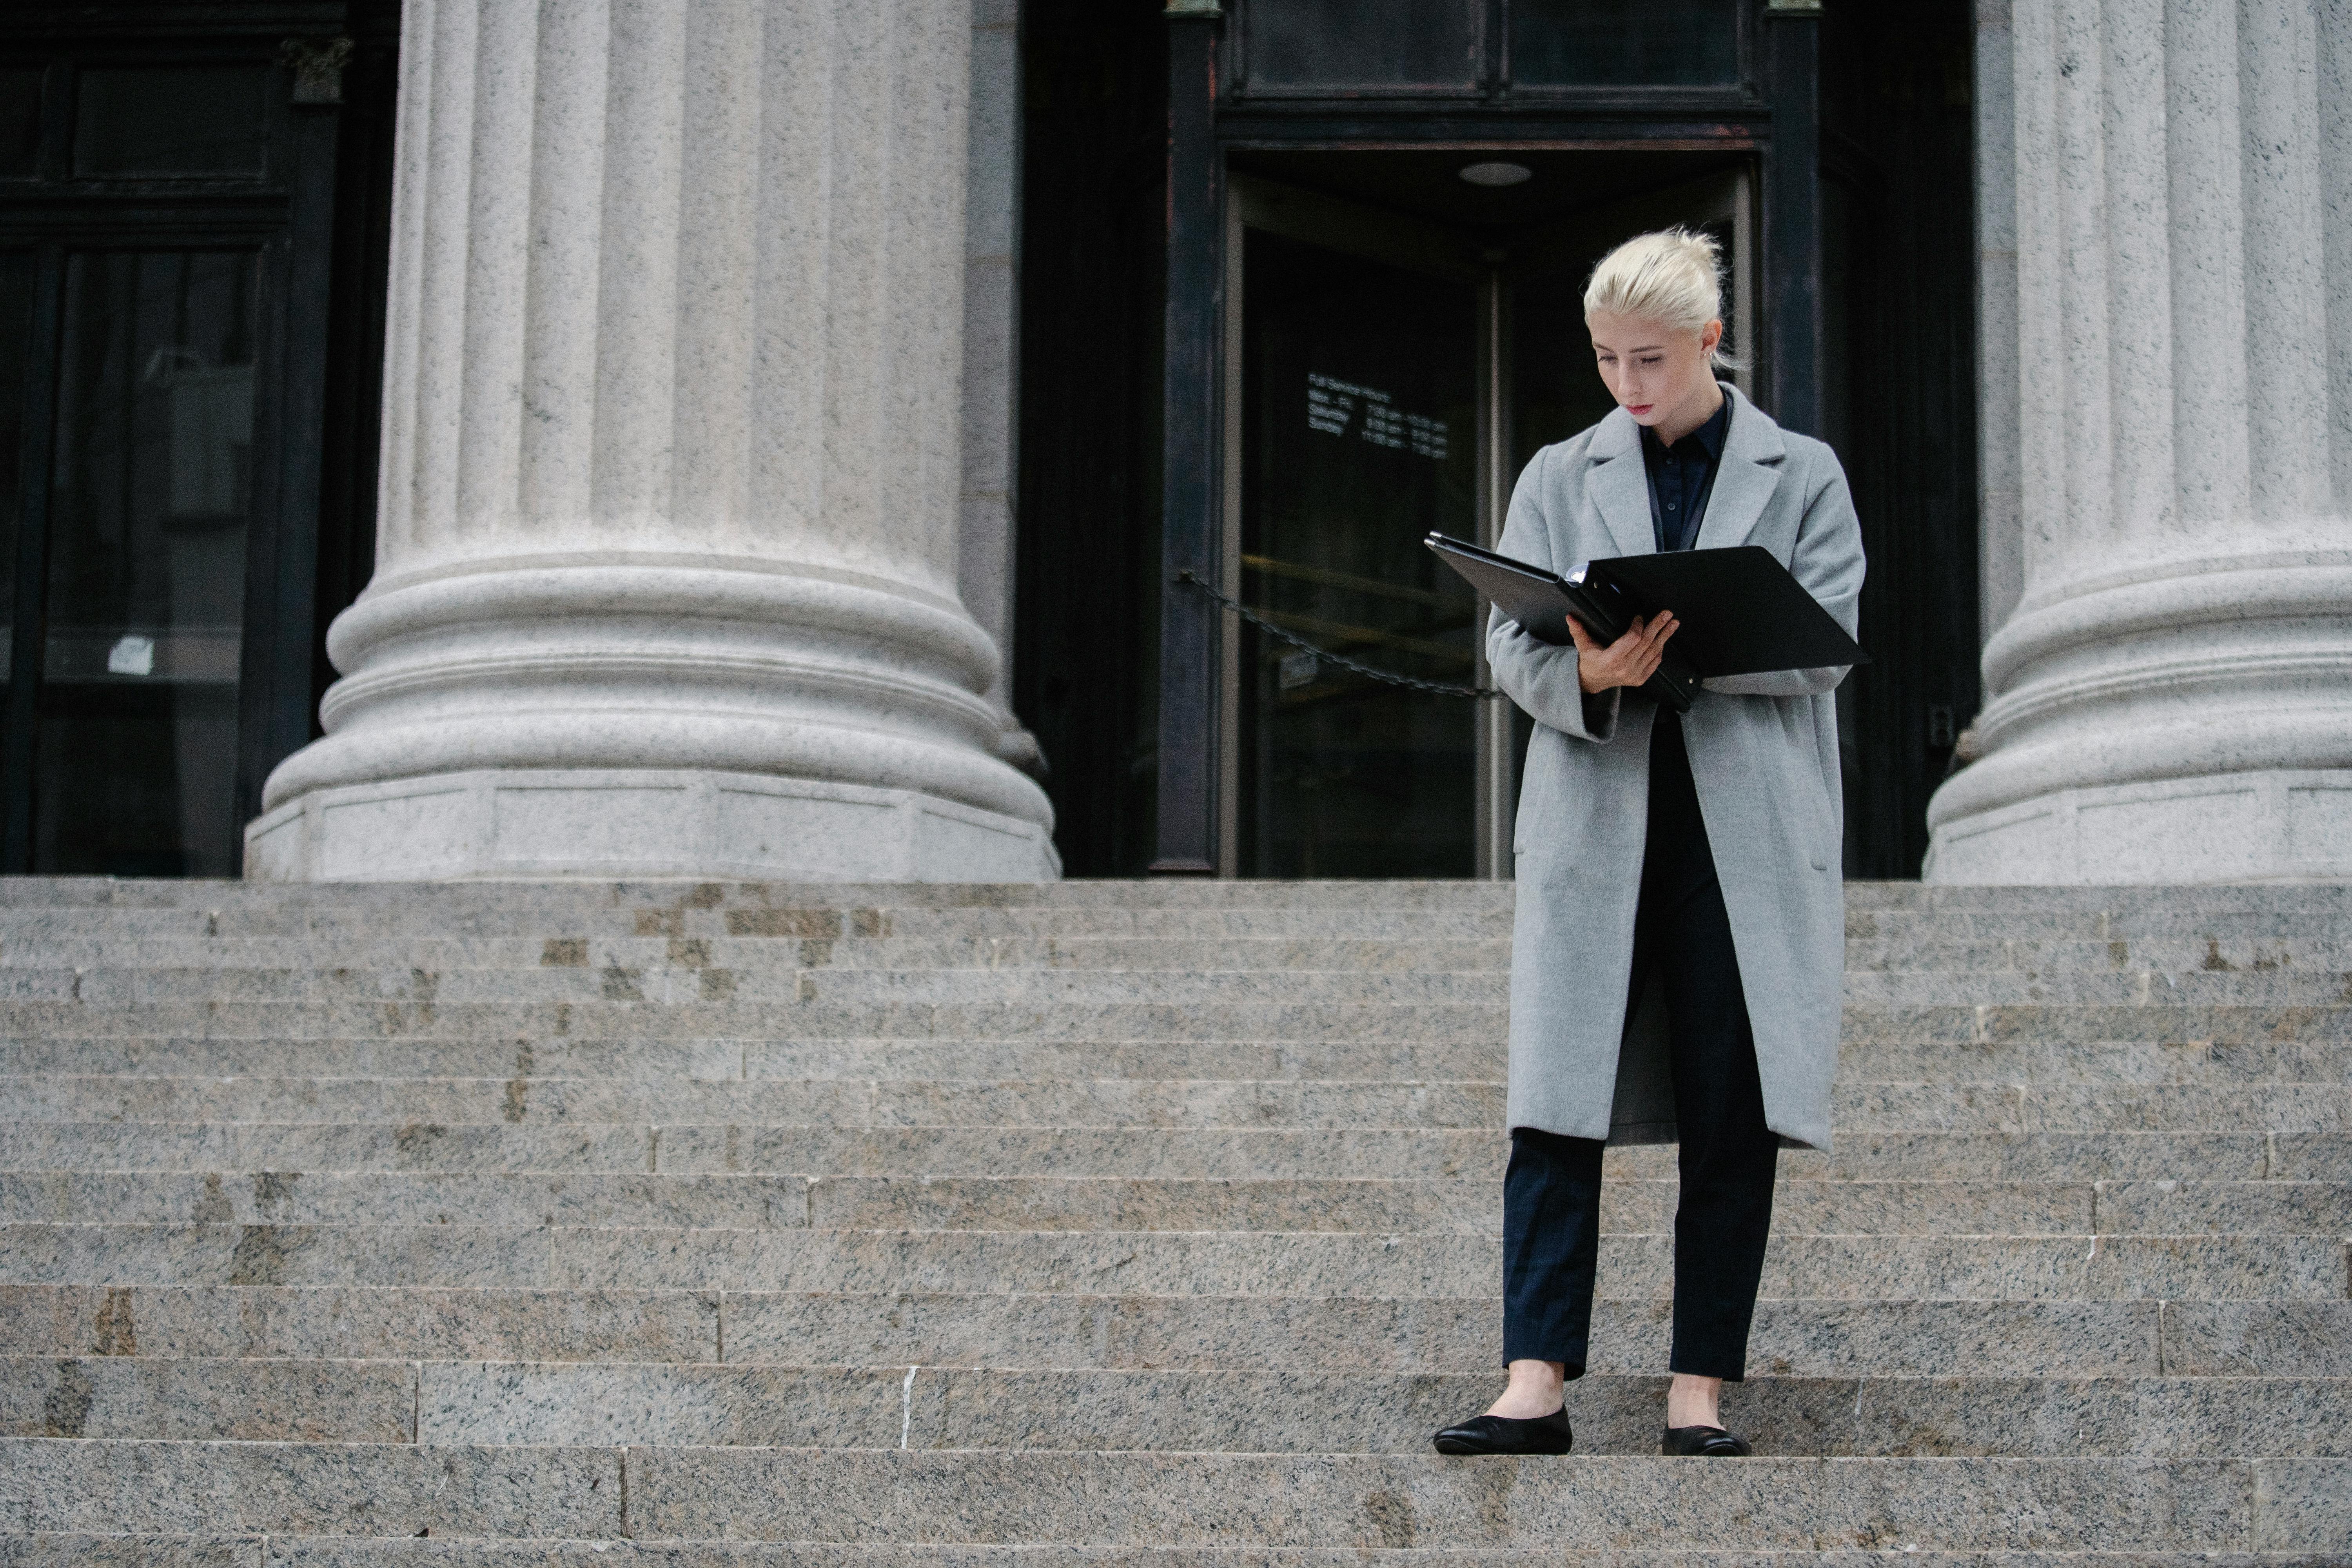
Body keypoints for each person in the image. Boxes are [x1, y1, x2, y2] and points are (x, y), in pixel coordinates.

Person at [1432, 228, 1863, 1459]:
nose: (1630, 384)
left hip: (1742, 840)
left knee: (1732, 1107)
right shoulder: (1562, 470)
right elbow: (1509, 644)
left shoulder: (1804, 471)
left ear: (1711, 344)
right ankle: (1534, 1383)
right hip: (1599, 820)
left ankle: (1698, 1392)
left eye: (1655, 360)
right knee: (1554, 1105)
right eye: (1611, 359)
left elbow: (1829, 639)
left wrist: (1696, 644)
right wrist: (1591, 667)